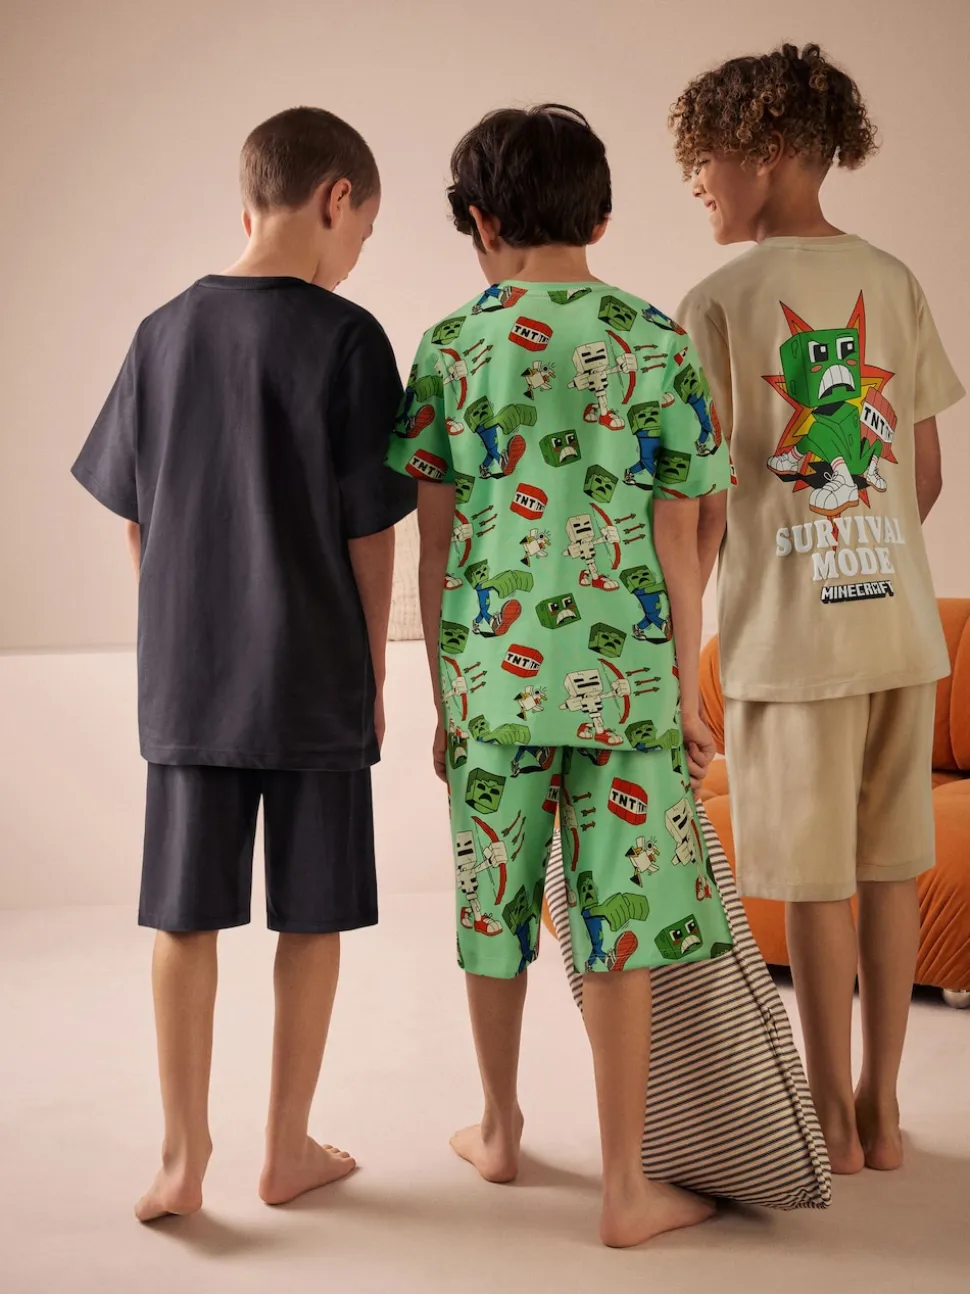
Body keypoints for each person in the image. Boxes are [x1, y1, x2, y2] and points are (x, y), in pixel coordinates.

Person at [386, 104, 734, 1248]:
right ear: (602, 215)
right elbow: (685, 535)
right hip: (629, 683)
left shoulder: (451, 345)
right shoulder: (652, 338)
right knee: (617, 922)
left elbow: (436, 549)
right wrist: (684, 687)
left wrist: (445, 700)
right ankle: (625, 1186)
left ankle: (497, 1127)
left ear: (482, 221)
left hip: (491, 682)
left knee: (494, 912)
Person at [72, 107, 415, 1220]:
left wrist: (176, 629)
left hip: (191, 676)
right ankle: (285, 1148)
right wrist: (374, 669)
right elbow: (372, 532)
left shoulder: (161, 332)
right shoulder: (350, 339)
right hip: (313, 674)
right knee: (310, 916)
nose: (357, 256)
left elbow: (136, 513)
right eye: (364, 231)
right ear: (334, 199)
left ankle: (182, 1159)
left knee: (184, 916)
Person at [672, 45, 964, 1174]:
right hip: (895, 630)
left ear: (771, 149)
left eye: (707, 156)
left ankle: (831, 1120)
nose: (697, 181)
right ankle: (883, 1113)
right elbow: (923, 474)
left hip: (788, 646)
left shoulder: (715, 305)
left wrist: (728, 590)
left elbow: (702, 508)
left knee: (811, 881)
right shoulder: (893, 279)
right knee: (890, 870)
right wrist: (862, 549)